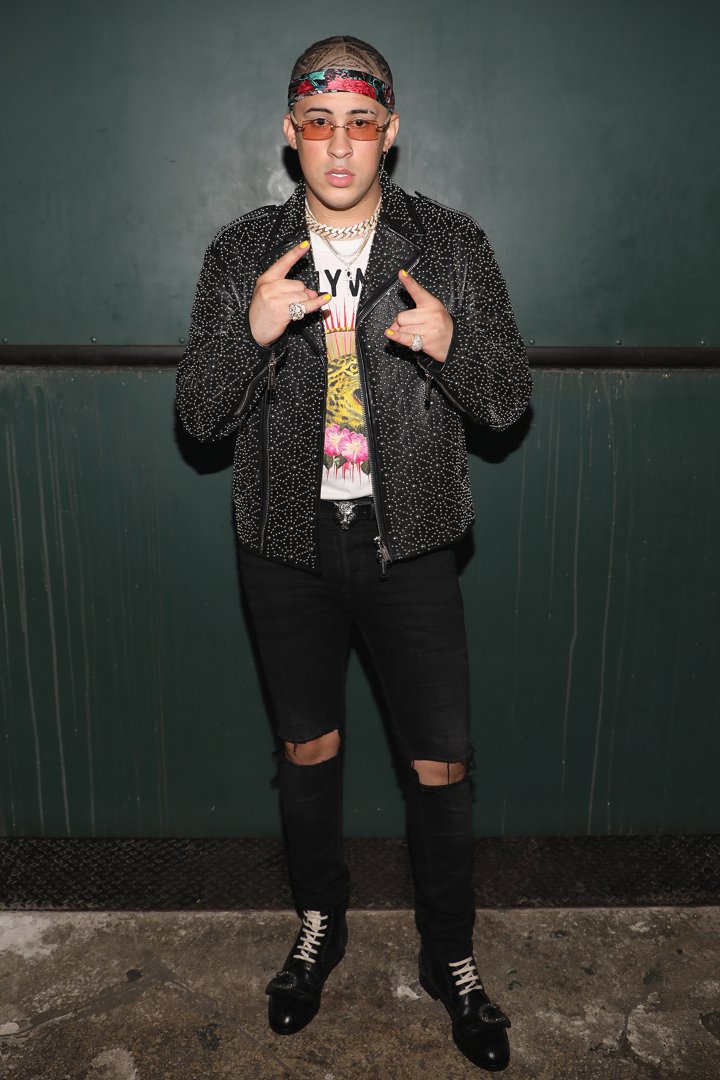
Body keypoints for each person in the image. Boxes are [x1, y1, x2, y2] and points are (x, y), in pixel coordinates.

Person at [176, 34, 531, 1073]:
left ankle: (450, 955)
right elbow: (198, 420)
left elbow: (508, 400)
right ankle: (319, 926)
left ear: (391, 132)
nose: (340, 145)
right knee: (308, 751)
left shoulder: (449, 243)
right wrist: (248, 334)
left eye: (361, 123)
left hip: (410, 539)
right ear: (290, 134)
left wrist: (450, 345)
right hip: (283, 545)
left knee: (442, 763)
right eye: (320, 123)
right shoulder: (242, 252)